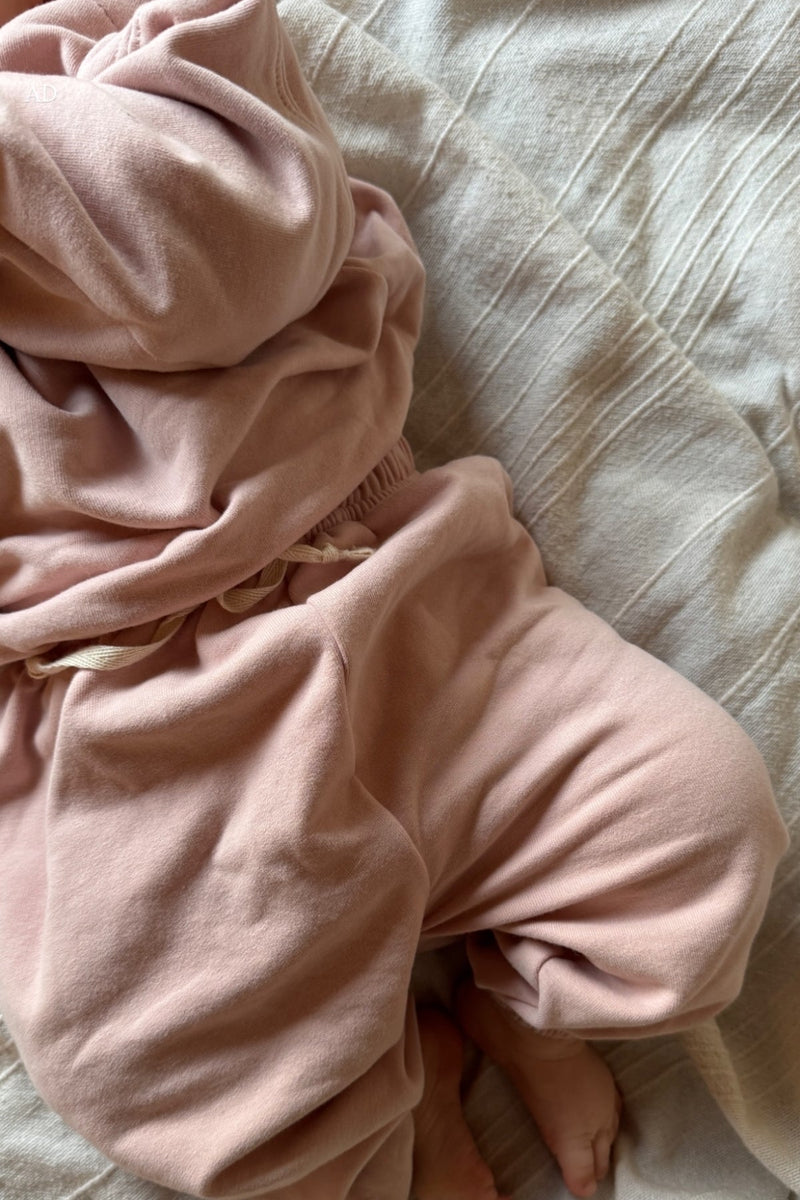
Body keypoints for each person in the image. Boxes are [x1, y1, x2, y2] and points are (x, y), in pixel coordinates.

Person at [0, 0, 789, 1198]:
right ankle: (392, 1134)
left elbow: (237, 257)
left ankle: (517, 1007)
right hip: (123, 731)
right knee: (167, 1083)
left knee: (699, 830)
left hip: (391, 590)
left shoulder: (140, 40)